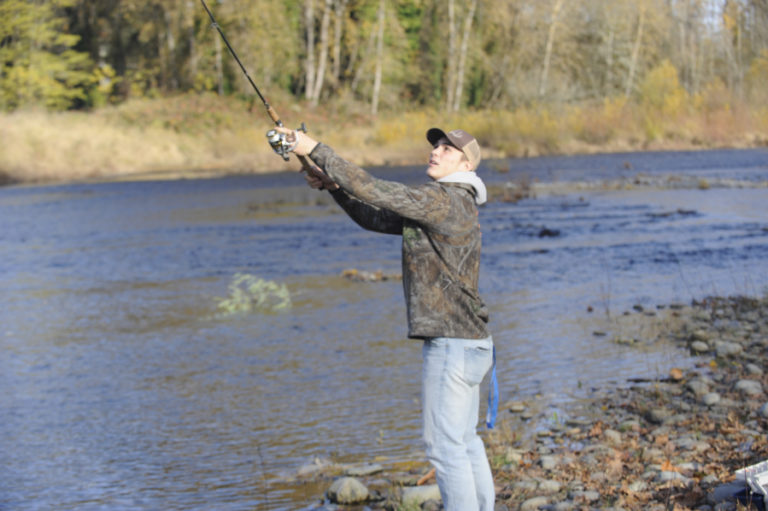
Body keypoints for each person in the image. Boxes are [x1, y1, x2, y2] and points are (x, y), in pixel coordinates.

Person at [272, 126, 497, 511]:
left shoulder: (443, 200)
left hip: (452, 346)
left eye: (448, 149)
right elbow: (374, 217)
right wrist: (334, 188)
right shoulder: (452, 204)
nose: (436, 152)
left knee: (445, 449)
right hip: (471, 342)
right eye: (436, 146)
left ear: (467, 163)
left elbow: (374, 188)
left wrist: (313, 148)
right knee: (464, 441)